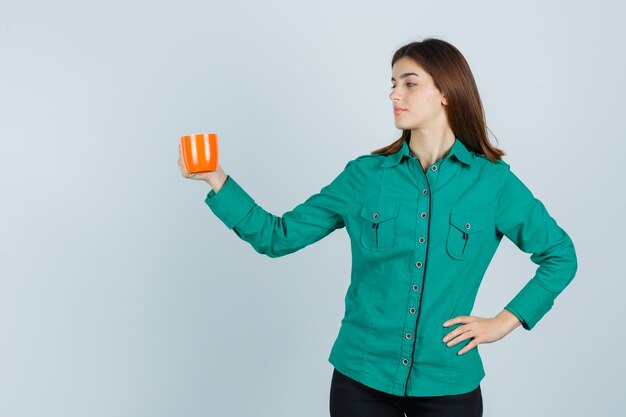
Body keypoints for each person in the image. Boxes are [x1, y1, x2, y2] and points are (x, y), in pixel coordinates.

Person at [177, 38, 578, 417]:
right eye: (392, 83)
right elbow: (277, 237)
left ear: (446, 92)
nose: (394, 94)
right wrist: (217, 180)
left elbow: (560, 256)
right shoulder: (364, 177)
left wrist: (504, 322)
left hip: (448, 382)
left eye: (409, 83)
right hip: (361, 379)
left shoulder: (492, 184)